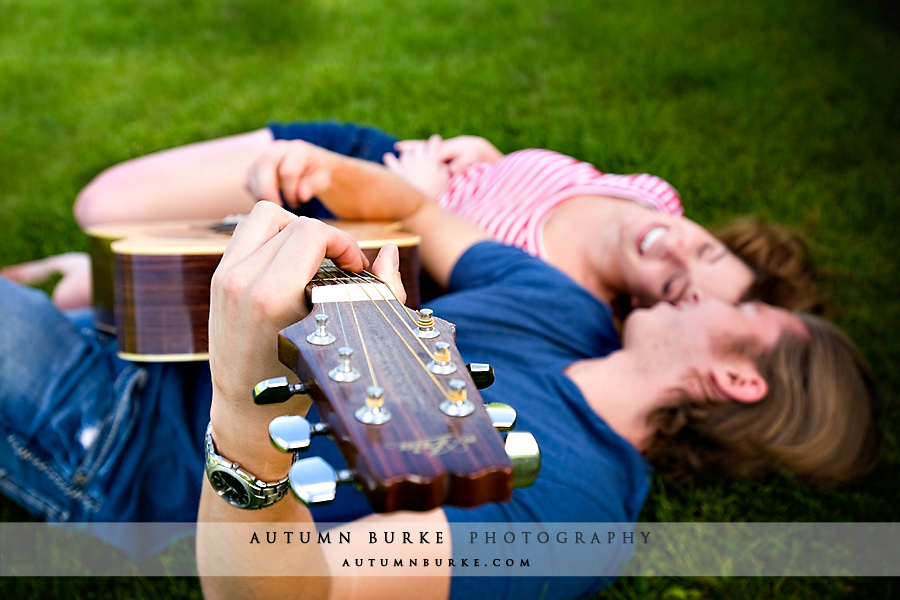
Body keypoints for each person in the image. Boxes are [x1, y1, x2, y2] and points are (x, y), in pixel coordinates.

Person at [196, 188, 877, 600]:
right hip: (126, 329)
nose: (711, 291)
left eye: (749, 311)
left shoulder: (575, 514)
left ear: (739, 378)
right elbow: (417, 210)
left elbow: (310, 594)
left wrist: (243, 420)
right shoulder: (561, 300)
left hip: (102, 443)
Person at [9, 121, 811, 315]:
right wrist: (477, 150)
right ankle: (84, 275)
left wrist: (425, 192)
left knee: (122, 239)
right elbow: (514, 168)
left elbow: (430, 249)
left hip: (359, 225)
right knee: (102, 203)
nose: (675, 249)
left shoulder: (559, 292)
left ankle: (81, 282)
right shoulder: (653, 193)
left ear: (650, 306)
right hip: (370, 157)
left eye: (676, 283)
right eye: (704, 250)